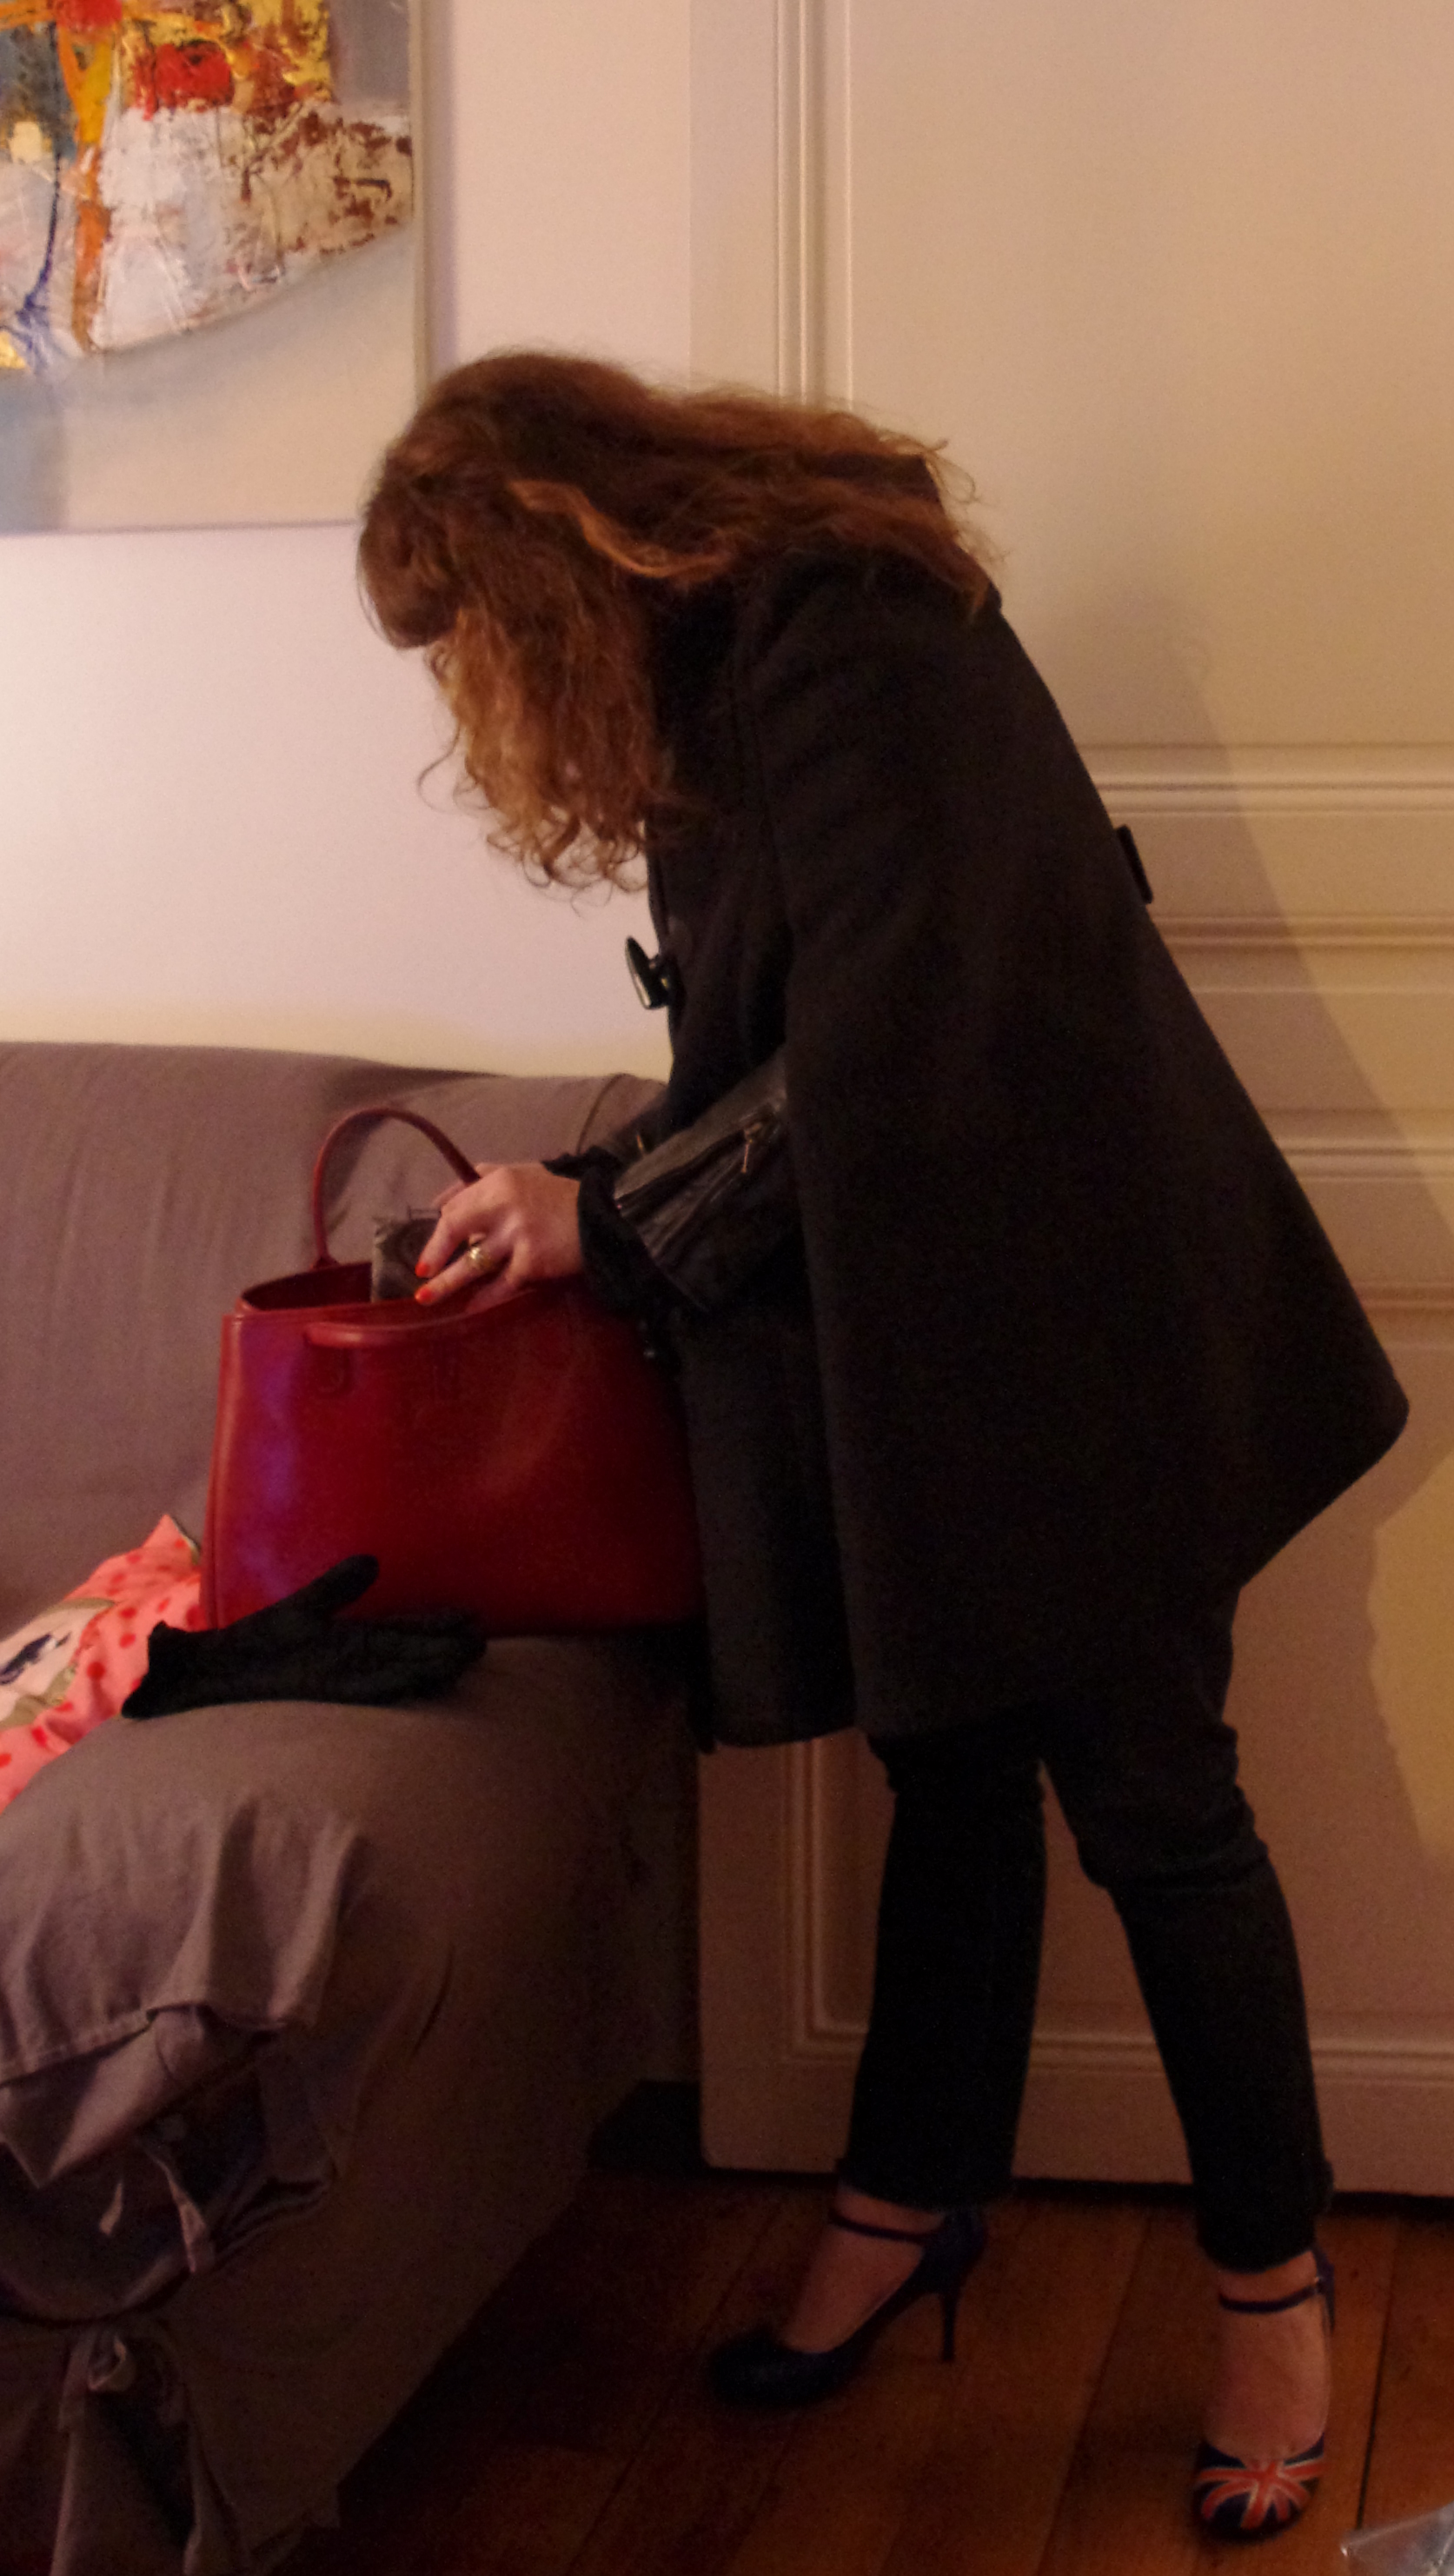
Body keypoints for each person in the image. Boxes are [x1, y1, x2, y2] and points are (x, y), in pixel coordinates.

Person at [357, 351, 1408, 2542]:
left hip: (1076, 1319)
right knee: (953, 1775)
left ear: (553, 572)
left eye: (476, 643)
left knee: (1157, 1808)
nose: (485, 702)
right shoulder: (743, 658)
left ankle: (1273, 2290)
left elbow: (900, 1033)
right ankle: (907, 2200)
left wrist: (609, 1217)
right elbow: (788, 1032)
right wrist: (597, 1188)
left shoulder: (846, 636)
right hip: (938, 1330)